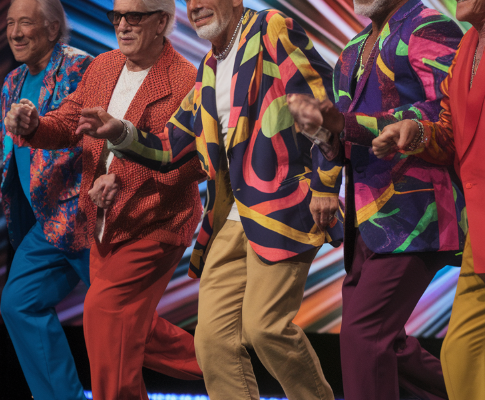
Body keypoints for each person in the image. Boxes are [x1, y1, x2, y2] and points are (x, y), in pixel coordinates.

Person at [31, 1, 346, 399]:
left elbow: (326, 109)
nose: (195, 5)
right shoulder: (209, 67)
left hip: (281, 206)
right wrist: (119, 132)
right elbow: (171, 146)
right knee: (211, 342)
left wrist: (325, 185)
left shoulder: (271, 27)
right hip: (229, 216)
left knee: (264, 328)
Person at [4, 0, 204, 399]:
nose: (122, 25)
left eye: (134, 16)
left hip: (154, 222)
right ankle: (222, 361)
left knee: (105, 315)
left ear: (162, 22)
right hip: (101, 220)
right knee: (117, 327)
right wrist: (36, 125)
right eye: (117, 16)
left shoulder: (183, 79)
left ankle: (221, 362)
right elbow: (69, 121)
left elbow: (184, 160)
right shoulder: (105, 66)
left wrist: (119, 180)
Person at [287, 0, 467, 399]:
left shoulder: (428, 26)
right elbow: (341, 131)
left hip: (417, 213)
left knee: (364, 336)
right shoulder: (353, 50)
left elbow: (442, 113)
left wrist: (343, 124)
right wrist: (321, 134)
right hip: (366, 219)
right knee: (387, 344)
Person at [372, 2, 485, 399]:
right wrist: (415, 132)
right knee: (460, 353)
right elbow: (451, 133)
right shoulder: (468, 45)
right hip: (480, 234)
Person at [0, 1, 93, 399]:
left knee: (132, 325)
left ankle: (214, 368)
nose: (15, 33)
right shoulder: (12, 81)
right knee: (18, 303)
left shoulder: (80, 68)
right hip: (47, 224)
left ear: (53, 29)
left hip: (88, 219)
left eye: (25, 23)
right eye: (10, 23)